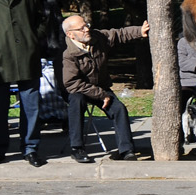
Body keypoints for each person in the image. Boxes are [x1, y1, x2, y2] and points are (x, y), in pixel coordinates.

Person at [62, 15, 149, 163]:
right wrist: (101, 95)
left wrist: (140, 31)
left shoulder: (97, 37)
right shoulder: (67, 54)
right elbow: (71, 83)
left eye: (86, 25)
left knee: (119, 109)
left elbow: (119, 34)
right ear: (70, 34)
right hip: (80, 89)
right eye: (81, 28)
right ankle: (77, 148)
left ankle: (126, 150)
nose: (87, 29)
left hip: (101, 87)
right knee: (76, 102)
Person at [0, 0, 45, 165]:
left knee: (31, 105)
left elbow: (42, 19)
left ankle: (30, 148)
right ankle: (0, 149)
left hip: (28, 56)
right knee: (0, 107)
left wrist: (35, 40)